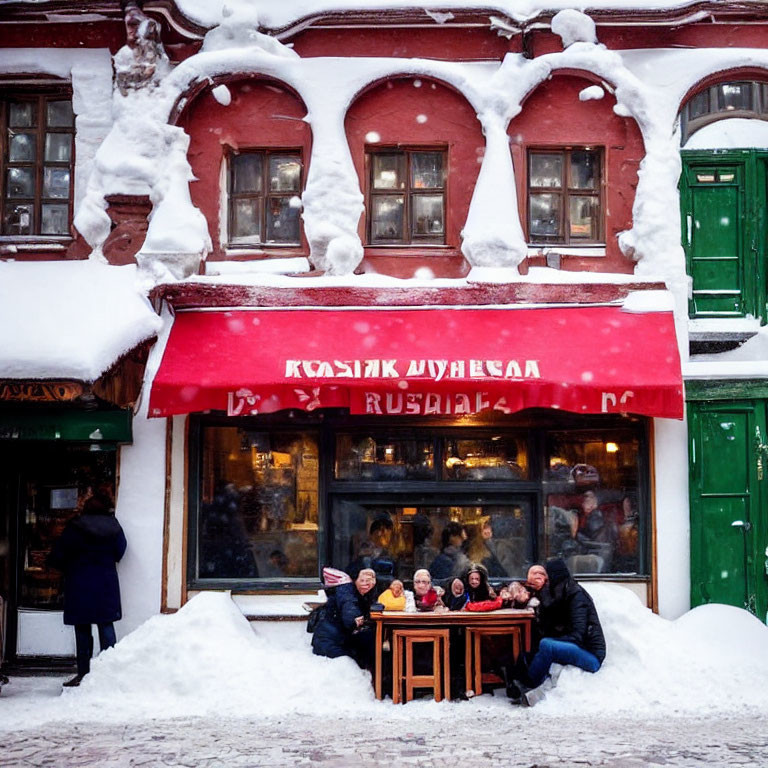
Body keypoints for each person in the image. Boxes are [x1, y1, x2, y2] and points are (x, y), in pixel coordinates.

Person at [47, 492, 127, 688]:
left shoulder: (75, 527)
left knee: (82, 629)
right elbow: (121, 550)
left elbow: (59, 554)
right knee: (106, 625)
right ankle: (109, 675)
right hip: (106, 582)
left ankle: (83, 673)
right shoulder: (114, 526)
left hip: (79, 582)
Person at [513, 558, 606, 706]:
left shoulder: (576, 596)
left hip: (591, 655)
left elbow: (578, 635)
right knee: (536, 648)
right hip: (579, 648)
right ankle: (522, 681)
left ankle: (529, 683)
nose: (546, 582)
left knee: (547, 645)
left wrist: (554, 642)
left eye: (547, 577)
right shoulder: (563, 592)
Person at [311, 567, 378, 669]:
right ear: (355, 580)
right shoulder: (347, 591)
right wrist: (355, 619)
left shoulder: (364, 594)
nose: (365, 584)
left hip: (337, 638)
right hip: (329, 643)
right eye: (362, 580)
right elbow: (349, 612)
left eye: (369, 581)